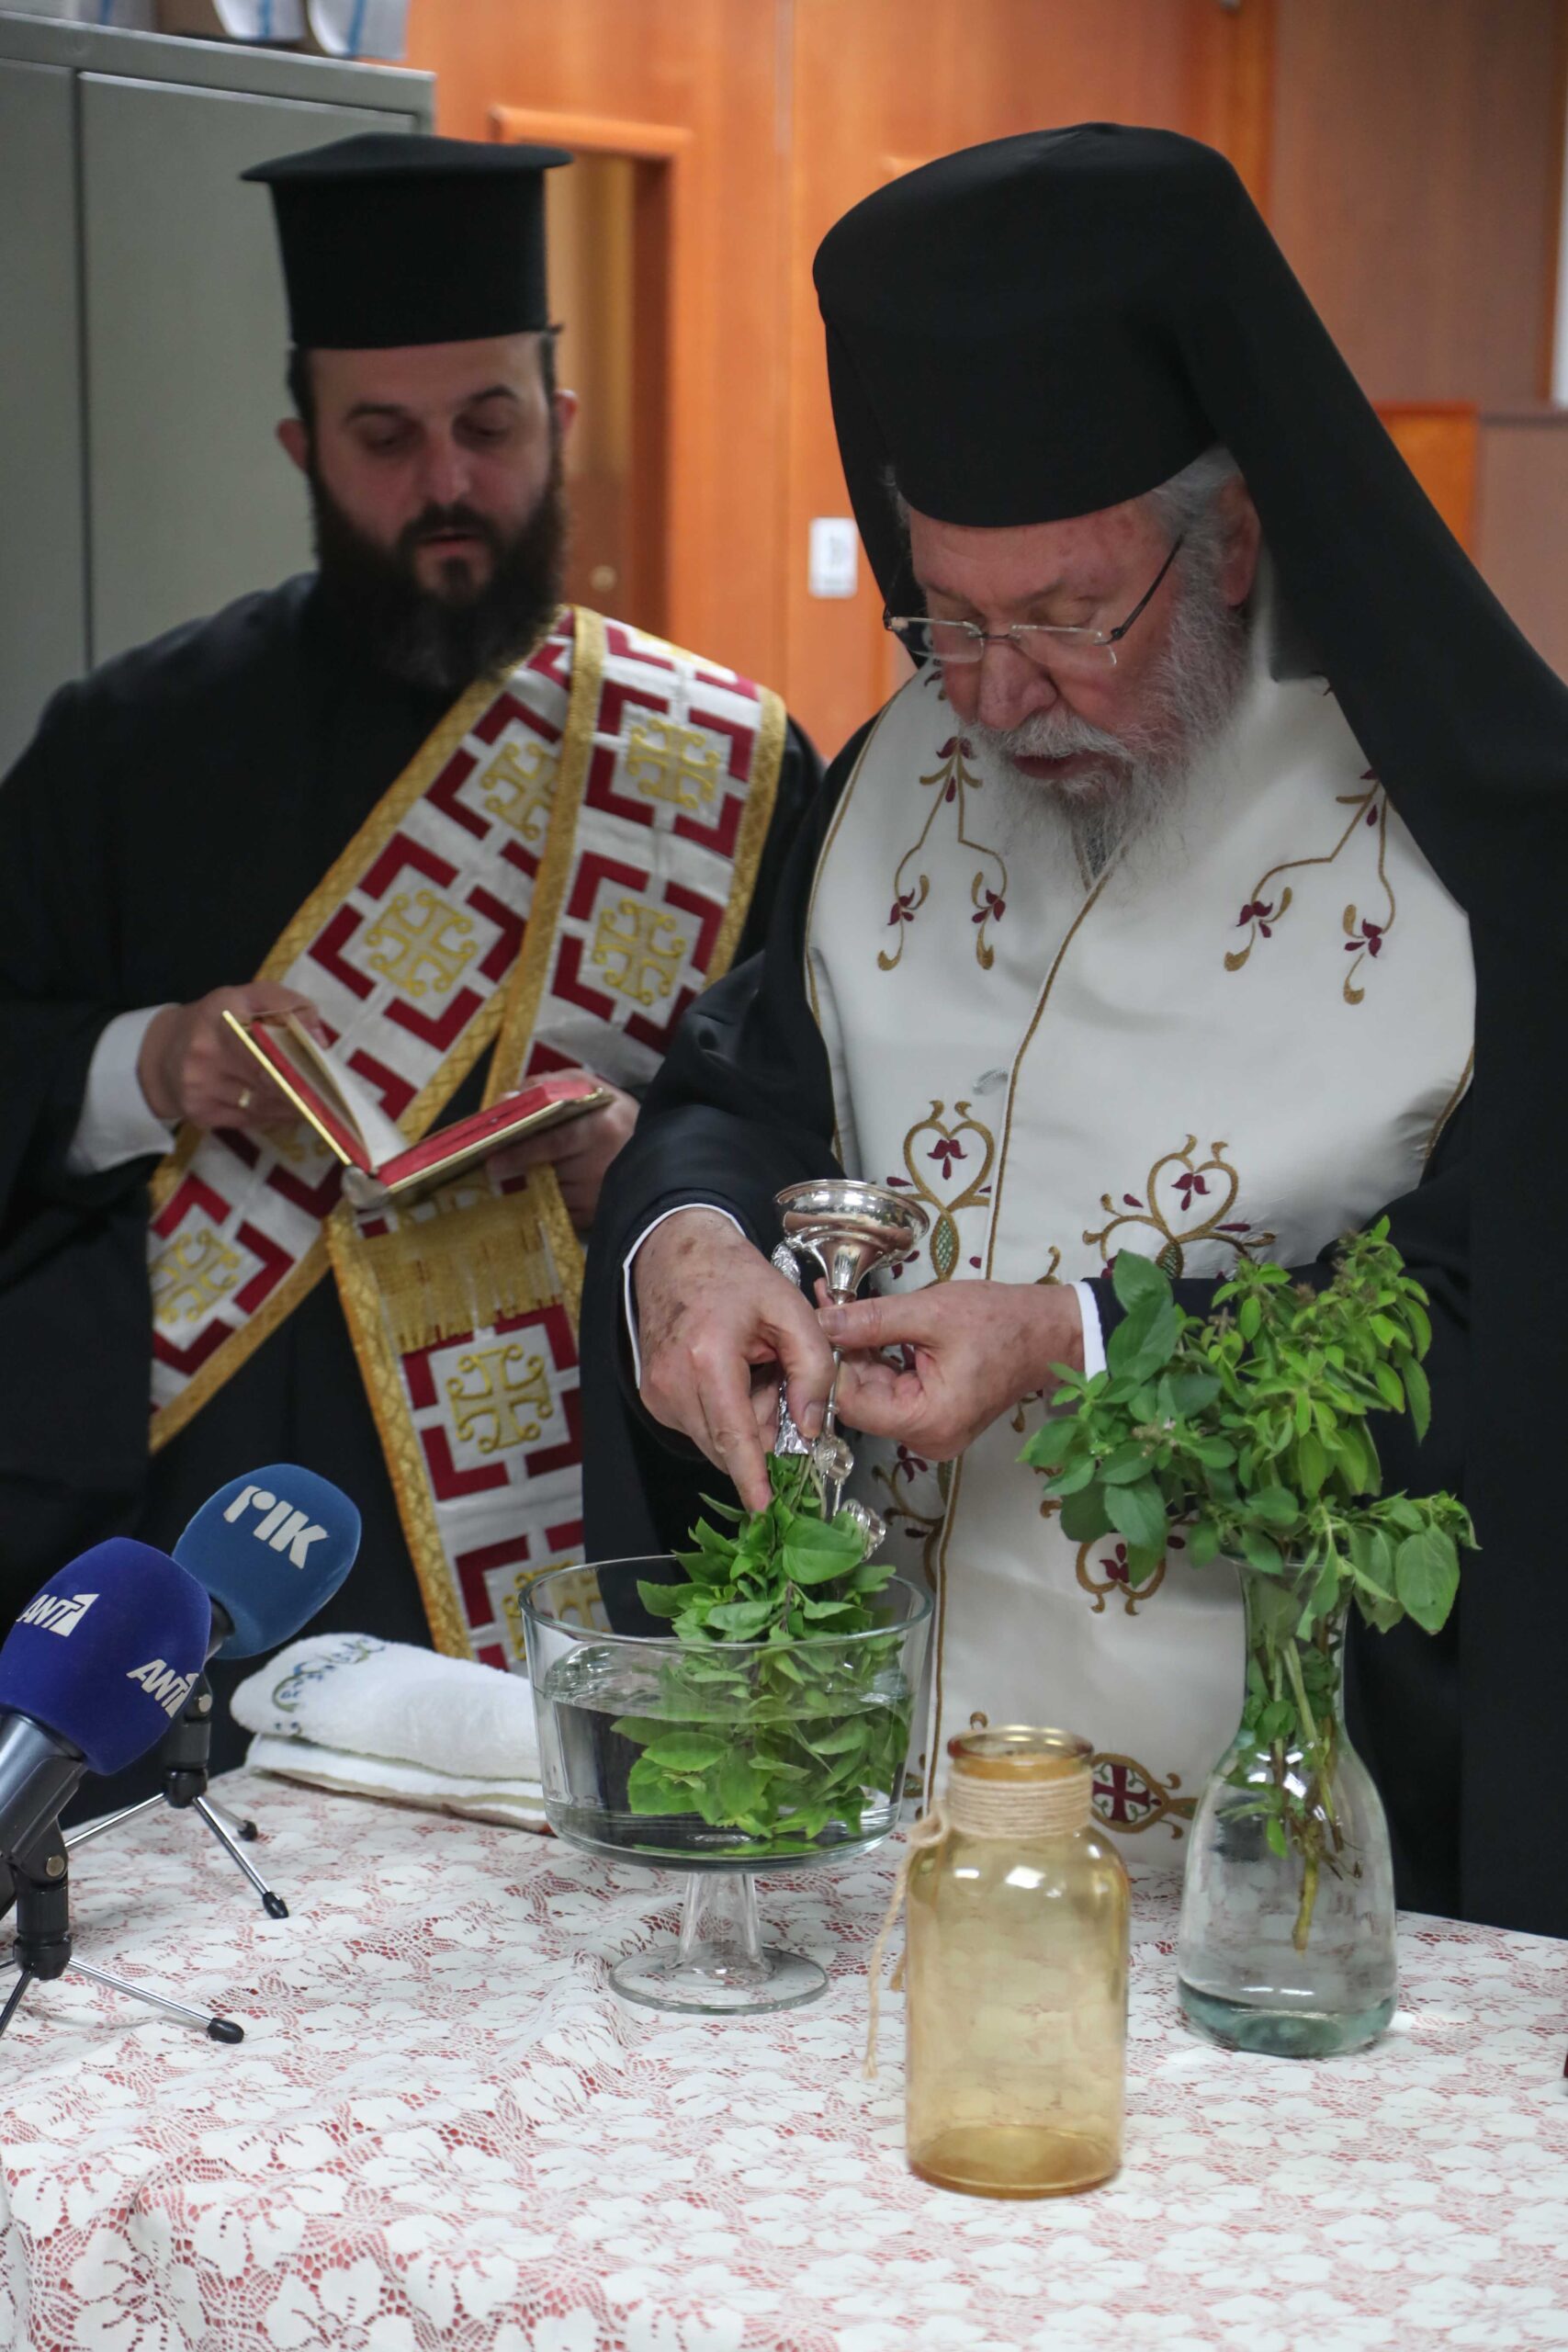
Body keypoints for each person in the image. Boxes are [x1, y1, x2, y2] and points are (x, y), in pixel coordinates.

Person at [585, 125, 1568, 1941]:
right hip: (872, 1837)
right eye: (940, 615)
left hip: (1270, 1881)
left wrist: (1073, 1338)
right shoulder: (890, 773)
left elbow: (1488, 1330)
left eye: (1061, 618)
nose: (992, 693)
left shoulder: (1486, 858)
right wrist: (690, 1245)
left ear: (1233, 535)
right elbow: (734, 1091)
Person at [0, 134, 819, 1780]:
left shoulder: (722, 763)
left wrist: (656, 1178)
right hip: (196, 1544)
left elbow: (818, 1134)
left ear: (559, 427)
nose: (444, 480)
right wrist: (145, 1065)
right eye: (386, 437)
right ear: (305, 444)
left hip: (585, 1523)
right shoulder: (127, 747)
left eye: (487, 426)